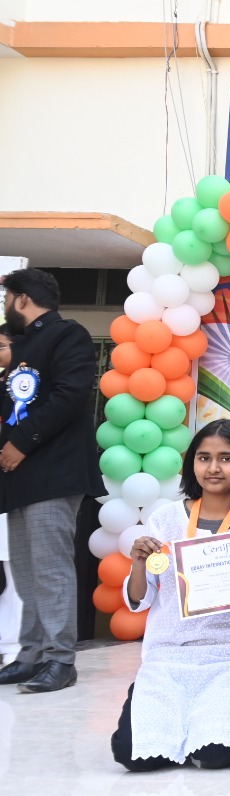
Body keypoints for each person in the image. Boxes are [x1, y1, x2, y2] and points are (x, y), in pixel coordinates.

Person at [113, 419, 230, 772]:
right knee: (133, 756)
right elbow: (141, 600)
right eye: (204, 458)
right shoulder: (165, 519)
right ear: (192, 464)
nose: (213, 468)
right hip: (169, 655)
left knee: (214, 756)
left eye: (226, 458)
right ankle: (149, 700)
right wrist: (138, 564)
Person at [0, 268, 98, 693]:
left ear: (22, 299)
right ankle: (32, 654)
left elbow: (70, 394)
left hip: (53, 470)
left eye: (7, 298)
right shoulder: (18, 346)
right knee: (27, 570)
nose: (6, 307)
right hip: (19, 475)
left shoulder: (67, 335)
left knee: (50, 569)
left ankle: (60, 659)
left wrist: (22, 442)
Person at [0, 327, 22, 665]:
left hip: (15, 490)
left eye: (2, 346)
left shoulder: (30, 389)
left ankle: (15, 646)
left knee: (16, 575)